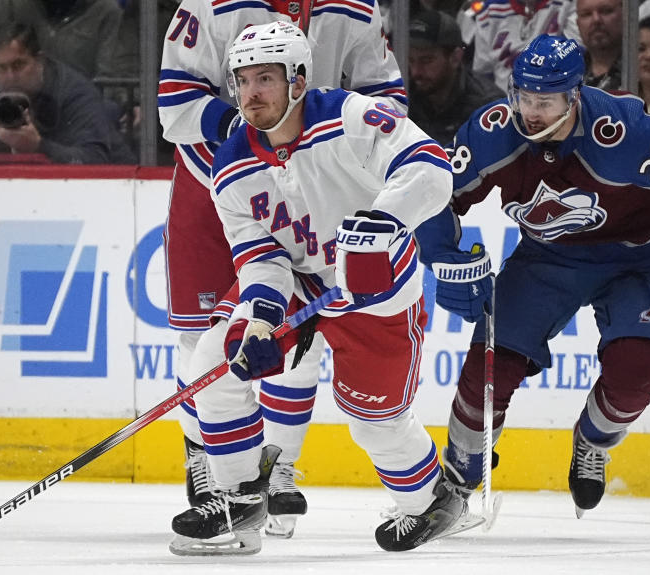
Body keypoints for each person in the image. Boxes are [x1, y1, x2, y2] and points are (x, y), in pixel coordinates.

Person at [414, 34, 650, 519]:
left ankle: (592, 441)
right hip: (546, 260)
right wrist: (444, 254)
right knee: (491, 366)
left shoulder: (625, 135)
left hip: (634, 261)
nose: (530, 111)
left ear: (575, 96)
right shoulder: (494, 133)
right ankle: (461, 476)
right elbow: (435, 189)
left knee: (639, 369)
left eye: (545, 101)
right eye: (524, 97)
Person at [168, 21, 462, 556]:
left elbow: (429, 166)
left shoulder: (351, 118)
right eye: (242, 80)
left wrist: (383, 222)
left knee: (373, 421)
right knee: (216, 362)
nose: (251, 93)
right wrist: (260, 316)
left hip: (379, 289)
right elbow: (259, 256)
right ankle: (240, 493)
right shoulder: (230, 165)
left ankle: (432, 500)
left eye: (265, 78)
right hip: (305, 286)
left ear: (298, 81)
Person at [0, 21, 134, 164]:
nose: (10, 77)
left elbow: (94, 159)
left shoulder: (75, 93)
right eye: (1, 68)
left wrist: (39, 146)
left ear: (40, 61)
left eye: (19, 65)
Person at [407, 9, 503, 145]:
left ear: (455, 58)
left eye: (426, 60)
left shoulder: (487, 107)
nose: (416, 71)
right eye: (410, 60)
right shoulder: (404, 97)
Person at [0, 0, 122, 81]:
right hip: (17, 104)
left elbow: (108, 82)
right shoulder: (11, 4)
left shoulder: (106, 11)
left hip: (79, 111)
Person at [469, 0, 580, 94]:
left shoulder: (568, 3)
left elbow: (580, 54)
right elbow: (483, 75)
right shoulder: (489, 11)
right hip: (505, 105)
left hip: (558, 98)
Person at [576, 0, 623, 89]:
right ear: (578, 24)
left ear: (625, 16)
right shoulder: (567, 74)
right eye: (587, 14)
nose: (596, 20)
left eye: (606, 11)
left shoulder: (642, 69)